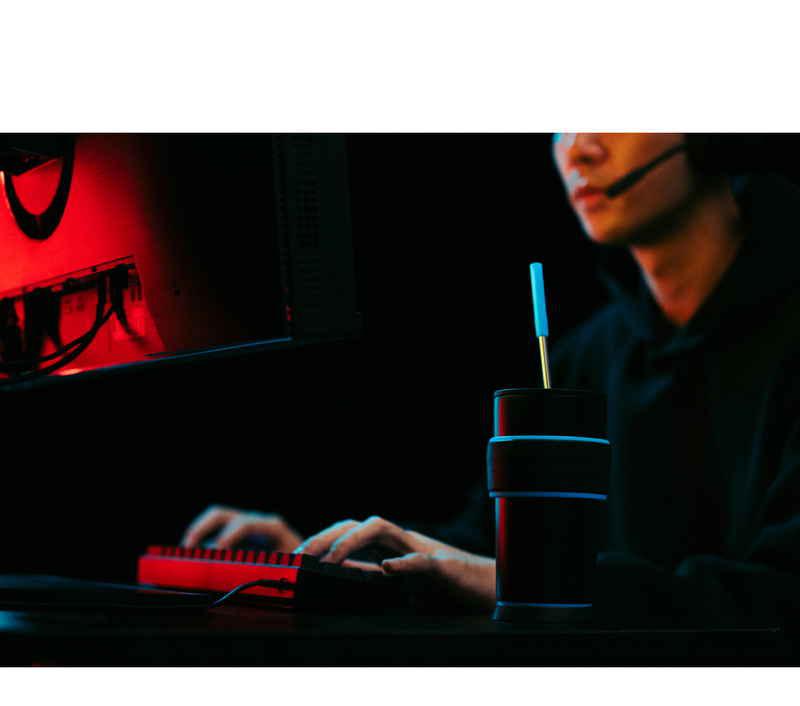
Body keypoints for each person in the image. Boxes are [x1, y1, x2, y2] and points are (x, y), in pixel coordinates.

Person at [182, 133, 800, 624]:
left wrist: (522, 581)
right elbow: (485, 546)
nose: (577, 149)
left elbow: (779, 596)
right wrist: (336, 560)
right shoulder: (585, 355)